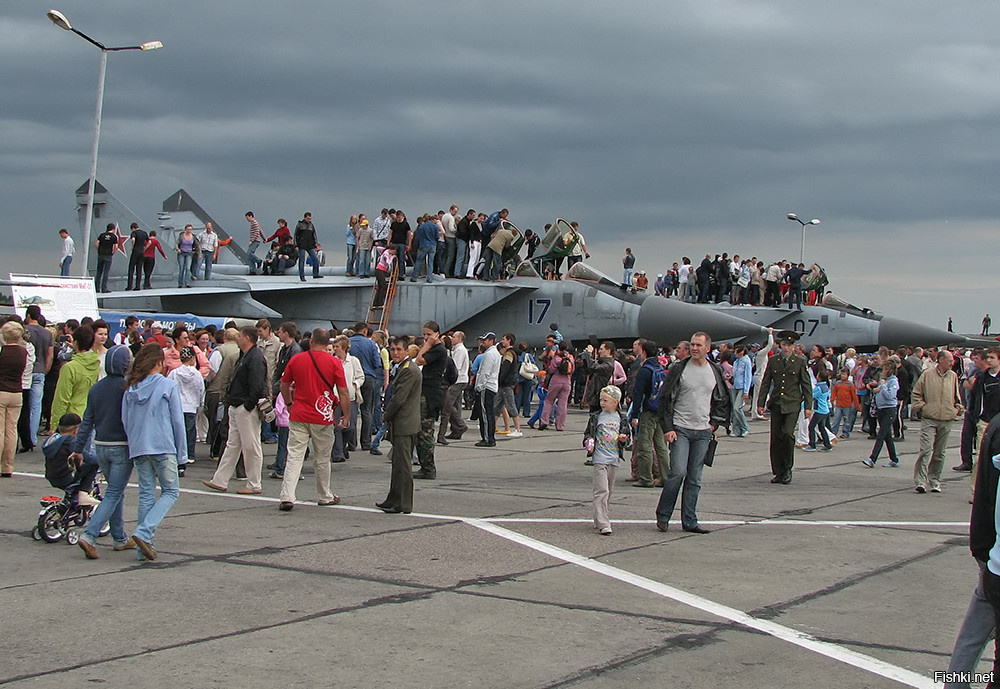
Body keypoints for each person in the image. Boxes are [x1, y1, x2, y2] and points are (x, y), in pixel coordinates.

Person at [655, 332, 731, 533]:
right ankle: (663, 514)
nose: (695, 348)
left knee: (695, 479)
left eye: (698, 345)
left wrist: (715, 423)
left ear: (708, 347)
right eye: (692, 345)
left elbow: (721, 398)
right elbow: (665, 398)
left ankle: (690, 520)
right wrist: (668, 428)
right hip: (681, 428)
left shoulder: (714, 370)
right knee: (678, 472)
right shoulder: (680, 368)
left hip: (703, 430)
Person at [121, 343, 185, 561]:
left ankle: (142, 547)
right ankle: (144, 532)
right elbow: (177, 420)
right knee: (171, 491)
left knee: (146, 494)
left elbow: (125, 419)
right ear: (159, 363)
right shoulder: (167, 385)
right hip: (162, 444)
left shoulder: (131, 387)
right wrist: (182, 452)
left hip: (139, 446)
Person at [276, 328, 351, 511]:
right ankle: (324, 494)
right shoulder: (334, 363)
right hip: (322, 415)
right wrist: (346, 414)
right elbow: (343, 391)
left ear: (311, 341)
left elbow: (284, 383)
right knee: (322, 458)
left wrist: (288, 403)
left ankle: (287, 495)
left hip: (299, 412)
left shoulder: (297, 359)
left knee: (294, 455)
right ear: (328, 344)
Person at [73, 345, 134, 558]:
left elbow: (87, 421)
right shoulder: (128, 388)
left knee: (115, 491)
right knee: (114, 492)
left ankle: (119, 537)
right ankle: (89, 534)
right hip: (121, 446)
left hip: (100, 445)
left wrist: (78, 448)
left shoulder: (96, 388)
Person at [202, 326, 268, 495]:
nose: (237, 339)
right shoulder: (244, 355)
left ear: (247, 338)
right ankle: (220, 479)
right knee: (233, 444)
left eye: (239, 336)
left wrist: (248, 405)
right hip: (237, 405)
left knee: (251, 445)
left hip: (245, 407)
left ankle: (254, 483)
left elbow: (258, 384)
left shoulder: (254, 357)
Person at [756, 330, 813, 485]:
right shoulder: (774, 360)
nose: (786, 348)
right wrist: (760, 403)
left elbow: (806, 385)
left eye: (789, 345)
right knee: (776, 439)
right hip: (777, 404)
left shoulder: (800, 362)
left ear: (793, 347)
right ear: (780, 345)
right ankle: (778, 471)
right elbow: (766, 382)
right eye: (783, 345)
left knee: (787, 435)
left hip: (792, 403)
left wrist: (808, 406)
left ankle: (787, 468)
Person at [377, 335, 422, 514]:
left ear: (406, 350)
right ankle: (393, 498)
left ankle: (403, 504)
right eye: (393, 349)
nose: (395, 352)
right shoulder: (402, 367)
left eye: (398, 349)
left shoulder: (409, 370)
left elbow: (399, 398)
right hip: (401, 422)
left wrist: (386, 415)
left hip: (405, 422)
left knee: (403, 465)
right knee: (397, 464)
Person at [909, 349, 964, 493]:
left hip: (946, 418)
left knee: (940, 453)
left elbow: (957, 396)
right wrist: (923, 407)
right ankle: (920, 481)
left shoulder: (953, 376)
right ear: (940, 360)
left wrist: (957, 409)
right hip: (929, 418)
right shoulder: (927, 374)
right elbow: (916, 393)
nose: (952, 363)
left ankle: (934, 480)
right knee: (926, 449)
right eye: (950, 360)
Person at [585, 386, 630, 535]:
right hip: (600, 458)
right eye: (601, 400)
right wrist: (589, 442)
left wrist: (623, 439)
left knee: (608, 490)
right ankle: (604, 522)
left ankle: (599, 516)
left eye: (605, 400)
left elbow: (626, 437)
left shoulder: (622, 418)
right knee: (601, 490)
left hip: (614, 458)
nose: (602, 403)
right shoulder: (596, 417)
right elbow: (588, 434)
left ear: (615, 402)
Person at [629, 339, 669, 488]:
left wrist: (634, 414)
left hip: (648, 410)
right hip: (659, 409)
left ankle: (646, 477)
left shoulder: (645, 370)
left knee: (644, 444)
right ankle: (665, 476)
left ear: (644, 352)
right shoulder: (659, 367)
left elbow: (638, 393)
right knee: (661, 445)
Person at [43, 413, 99, 506]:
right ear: (76, 430)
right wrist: (103, 460)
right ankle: (83, 494)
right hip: (65, 477)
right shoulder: (71, 442)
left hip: (52, 475)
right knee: (93, 465)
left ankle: (70, 504)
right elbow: (88, 459)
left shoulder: (53, 439)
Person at [414, 321, 447, 478]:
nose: (426, 337)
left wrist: (427, 345)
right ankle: (424, 466)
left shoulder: (439, 350)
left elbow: (419, 360)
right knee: (421, 431)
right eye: (424, 334)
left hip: (430, 394)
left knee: (425, 432)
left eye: (429, 334)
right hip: (427, 391)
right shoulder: (436, 349)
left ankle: (428, 468)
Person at [51, 325, 100, 428]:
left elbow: (61, 399)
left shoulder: (69, 368)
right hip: (88, 416)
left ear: (76, 342)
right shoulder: (96, 363)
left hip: (70, 419)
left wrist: (54, 425)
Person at [167, 346, 205, 476]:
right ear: (193, 358)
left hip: (178, 406)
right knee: (190, 430)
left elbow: (169, 388)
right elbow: (201, 390)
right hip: (191, 406)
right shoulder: (197, 374)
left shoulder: (174, 373)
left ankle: (177, 453)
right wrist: (200, 403)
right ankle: (190, 454)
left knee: (177, 432)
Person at [862, 359, 902, 469]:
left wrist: (883, 387)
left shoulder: (893, 381)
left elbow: (890, 395)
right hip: (881, 409)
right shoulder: (883, 380)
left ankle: (872, 458)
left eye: (884, 369)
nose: (882, 371)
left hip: (889, 409)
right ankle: (894, 459)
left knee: (881, 434)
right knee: (887, 436)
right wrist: (876, 389)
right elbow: (879, 390)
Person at [24, 305, 53, 452]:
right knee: (36, 406)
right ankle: (33, 437)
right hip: (40, 370)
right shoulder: (47, 333)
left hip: (25, 370)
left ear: (28, 315)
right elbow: (50, 354)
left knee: (23, 406)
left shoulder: (24, 330)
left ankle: (24, 437)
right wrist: (46, 369)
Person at [0, 321, 28, 476]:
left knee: (0, 430)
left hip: (1, 390)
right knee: (12, 430)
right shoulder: (23, 352)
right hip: (17, 392)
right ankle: (8, 466)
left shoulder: (2, 351)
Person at [438, 331, 469, 442]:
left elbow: (456, 367)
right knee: (456, 405)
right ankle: (456, 430)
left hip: (458, 381)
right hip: (460, 380)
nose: (452, 338)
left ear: (460, 338)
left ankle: (460, 425)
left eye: (454, 337)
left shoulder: (460, 350)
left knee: (447, 405)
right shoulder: (457, 350)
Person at [475, 332, 501, 447]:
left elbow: (485, 371)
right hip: (492, 385)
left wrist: (480, 386)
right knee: (489, 412)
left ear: (491, 341)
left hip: (486, 387)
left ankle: (487, 438)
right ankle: (489, 437)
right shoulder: (495, 353)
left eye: (485, 340)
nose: (483, 342)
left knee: (485, 414)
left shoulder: (489, 354)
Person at [805, 367, 833, 452]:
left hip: (819, 410)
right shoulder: (826, 386)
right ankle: (827, 444)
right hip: (825, 410)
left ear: (819, 377)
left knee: (811, 426)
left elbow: (811, 396)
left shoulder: (819, 388)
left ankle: (812, 444)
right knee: (821, 427)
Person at [731, 344, 752, 437]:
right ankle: (736, 429)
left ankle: (745, 427)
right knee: (734, 409)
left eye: (737, 351)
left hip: (742, 387)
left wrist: (746, 391)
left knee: (737, 407)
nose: (735, 353)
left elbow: (748, 377)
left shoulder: (746, 361)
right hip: (735, 386)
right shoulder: (736, 362)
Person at [294, 212, 322, 281]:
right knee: (302, 260)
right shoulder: (300, 225)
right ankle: (302, 276)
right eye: (308, 218)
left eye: (310, 218)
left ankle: (315, 274)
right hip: (302, 245)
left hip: (310, 245)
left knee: (315, 259)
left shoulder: (311, 225)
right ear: (305, 218)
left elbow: (314, 235)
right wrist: (296, 245)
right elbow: (295, 235)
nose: (309, 219)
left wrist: (315, 244)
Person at [94, 223, 118, 293]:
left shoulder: (102, 235)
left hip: (101, 254)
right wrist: (113, 252)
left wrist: (99, 250)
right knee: (106, 272)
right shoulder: (114, 237)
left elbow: (96, 244)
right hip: (108, 255)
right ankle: (104, 288)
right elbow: (116, 247)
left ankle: (97, 288)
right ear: (113, 229)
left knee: (99, 272)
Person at [126, 223, 148, 290]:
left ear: (133, 228)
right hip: (142, 252)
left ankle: (130, 286)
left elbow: (133, 239)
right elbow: (149, 241)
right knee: (139, 269)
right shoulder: (144, 233)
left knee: (131, 268)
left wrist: (132, 246)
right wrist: (145, 248)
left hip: (136, 251)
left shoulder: (134, 233)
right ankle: (138, 286)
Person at [175, 224, 198, 288]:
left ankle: (187, 283)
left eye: (190, 229)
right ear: (185, 229)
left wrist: (194, 251)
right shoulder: (182, 236)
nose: (189, 230)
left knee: (188, 268)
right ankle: (180, 283)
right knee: (181, 268)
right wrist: (177, 249)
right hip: (182, 253)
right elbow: (177, 243)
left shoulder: (193, 237)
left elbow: (196, 244)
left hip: (189, 254)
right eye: (188, 229)